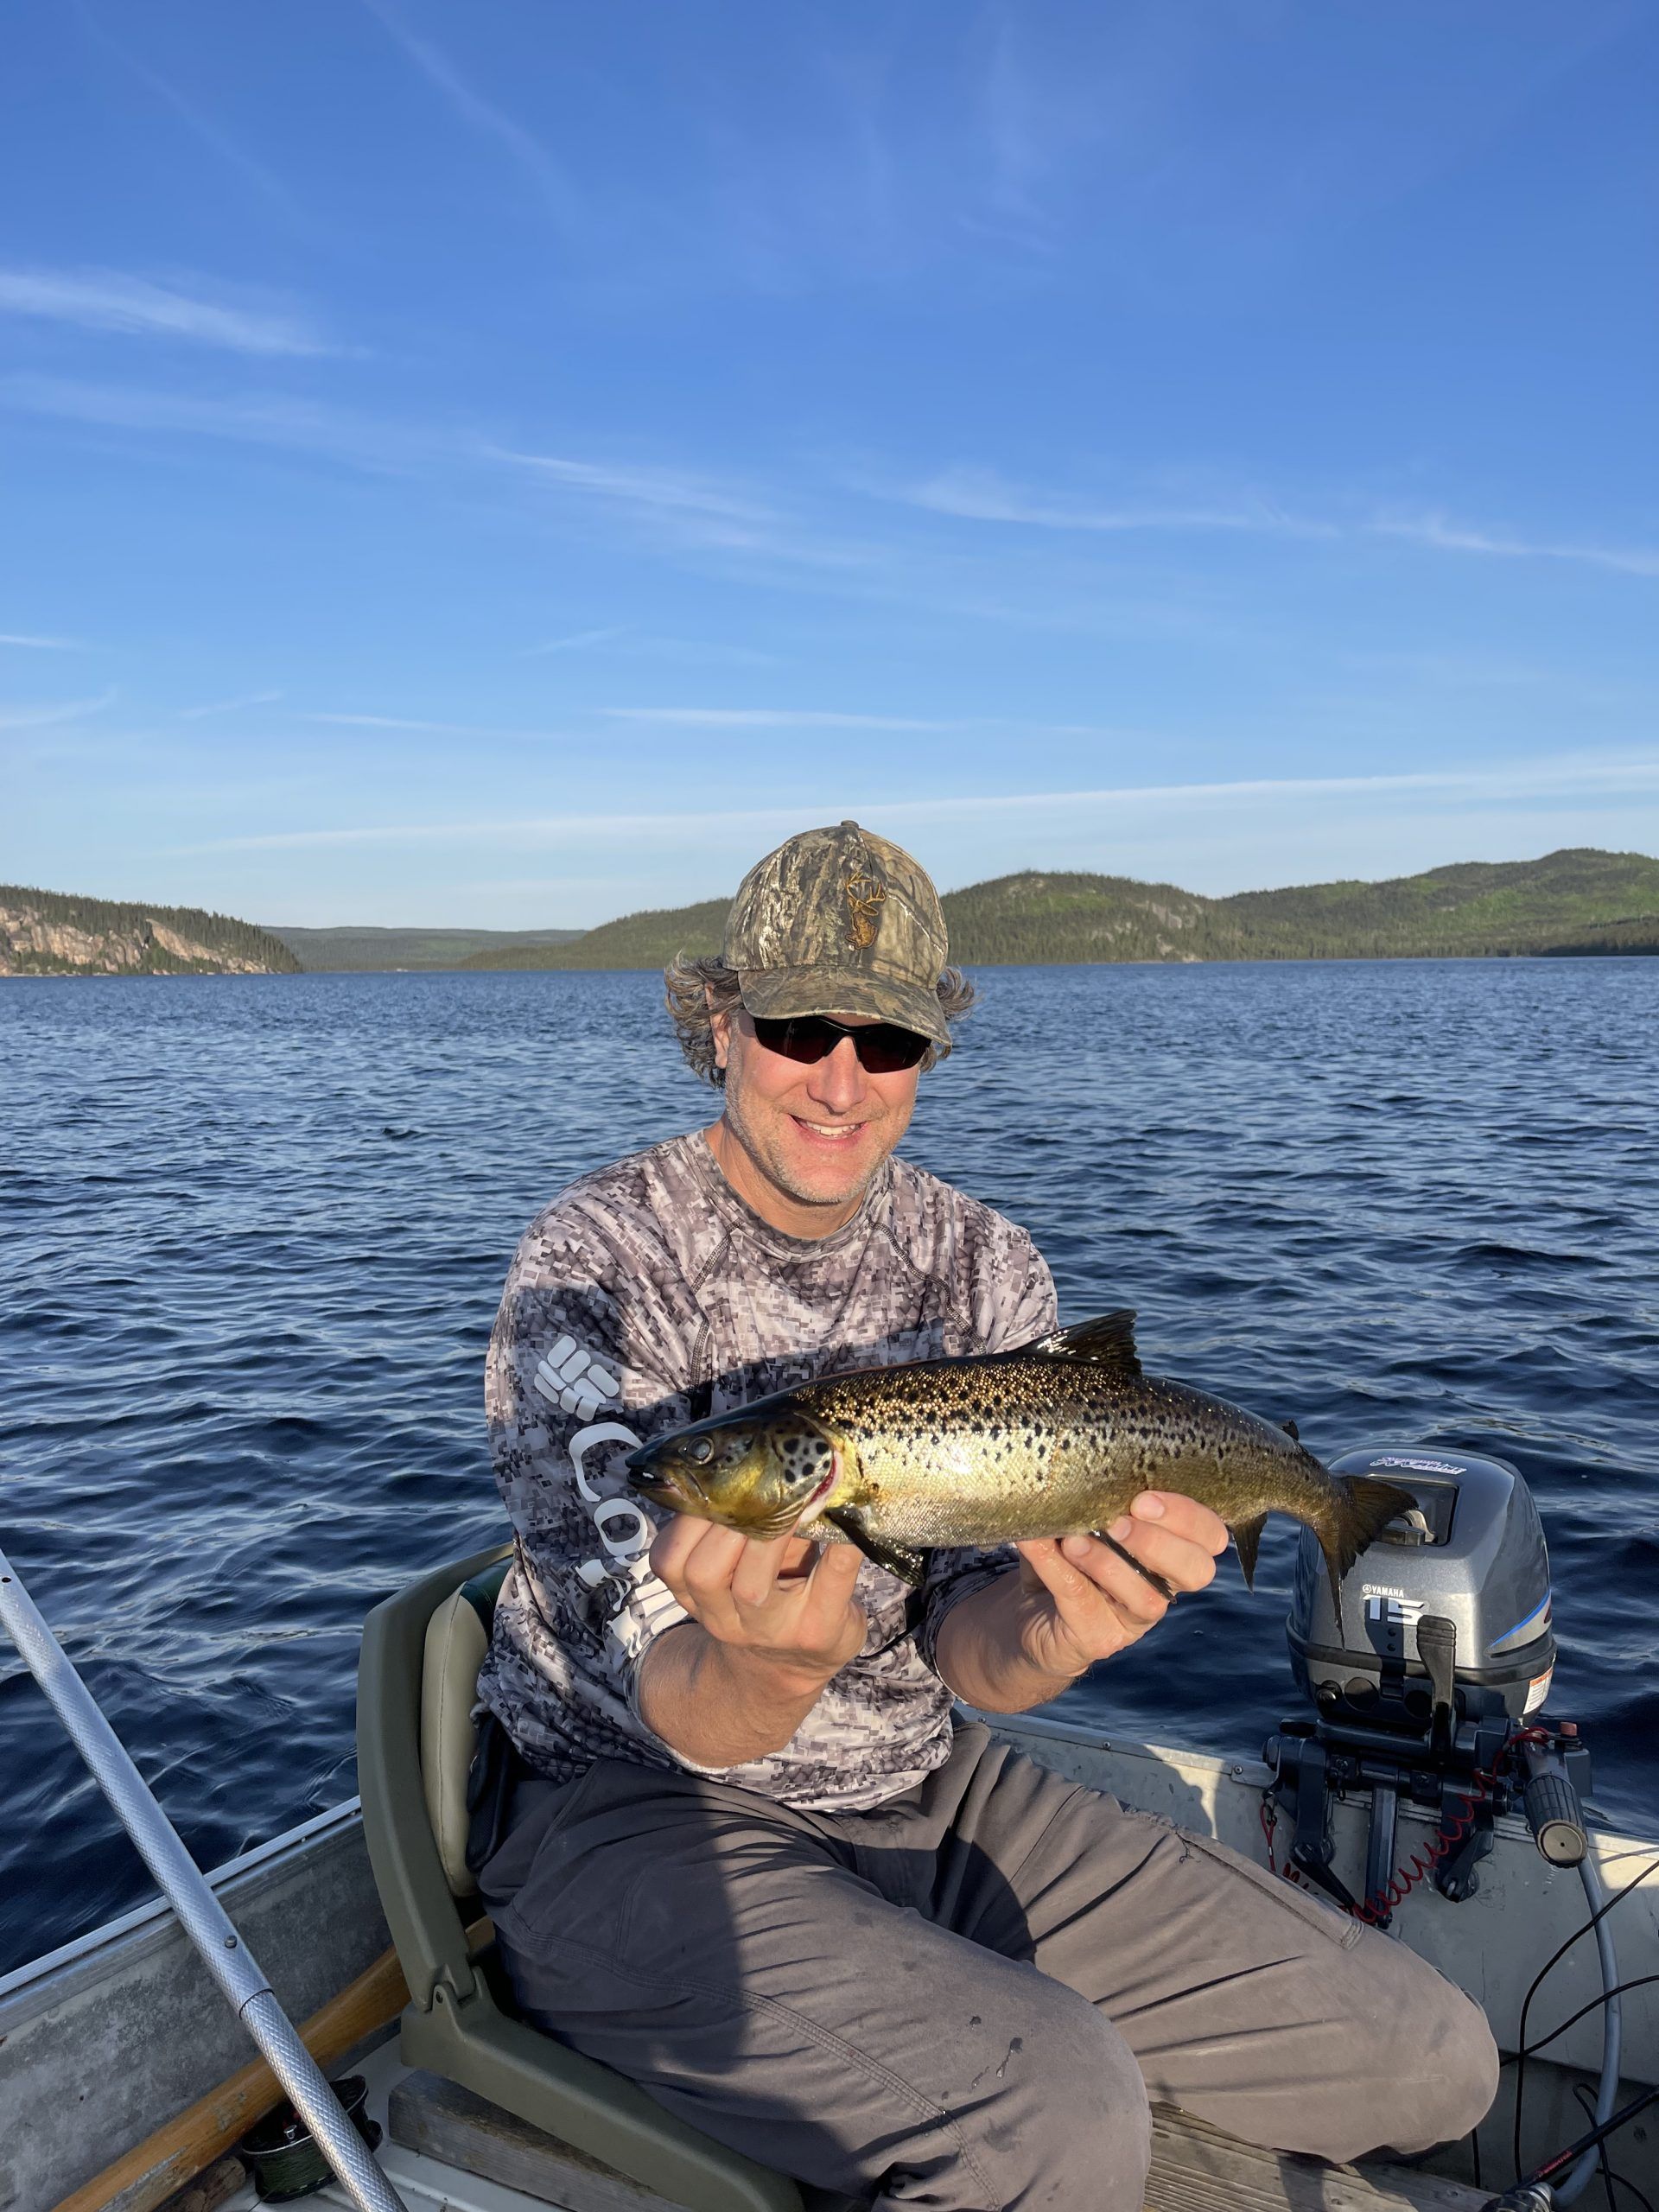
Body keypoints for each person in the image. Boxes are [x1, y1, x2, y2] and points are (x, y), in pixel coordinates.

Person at [471, 819, 1497, 2212]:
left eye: (885, 1042)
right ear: (720, 1026)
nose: (841, 1079)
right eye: (797, 1026)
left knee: (1429, 2058)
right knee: (1057, 2113)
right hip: (634, 1817)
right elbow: (673, 1694)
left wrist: (1067, 1626)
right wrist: (768, 1665)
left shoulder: (984, 1262)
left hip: (920, 1781)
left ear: (930, 1056)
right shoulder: (588, 1270)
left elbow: (975, 1644)